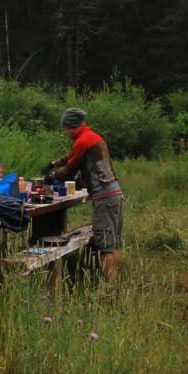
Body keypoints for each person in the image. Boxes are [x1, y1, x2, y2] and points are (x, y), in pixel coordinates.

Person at [41, 108, 123, 285]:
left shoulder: (83, 140)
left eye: (65, 128)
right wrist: (53, 163)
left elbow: (70, 170)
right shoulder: (90, 136)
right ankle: (113, 285)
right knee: (112, 243)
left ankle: (109, 289)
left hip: (105, 197)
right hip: (114, 193)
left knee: (106, 247)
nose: (64, 131)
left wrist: (53, 176)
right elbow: (72, 156)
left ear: (71, 126)